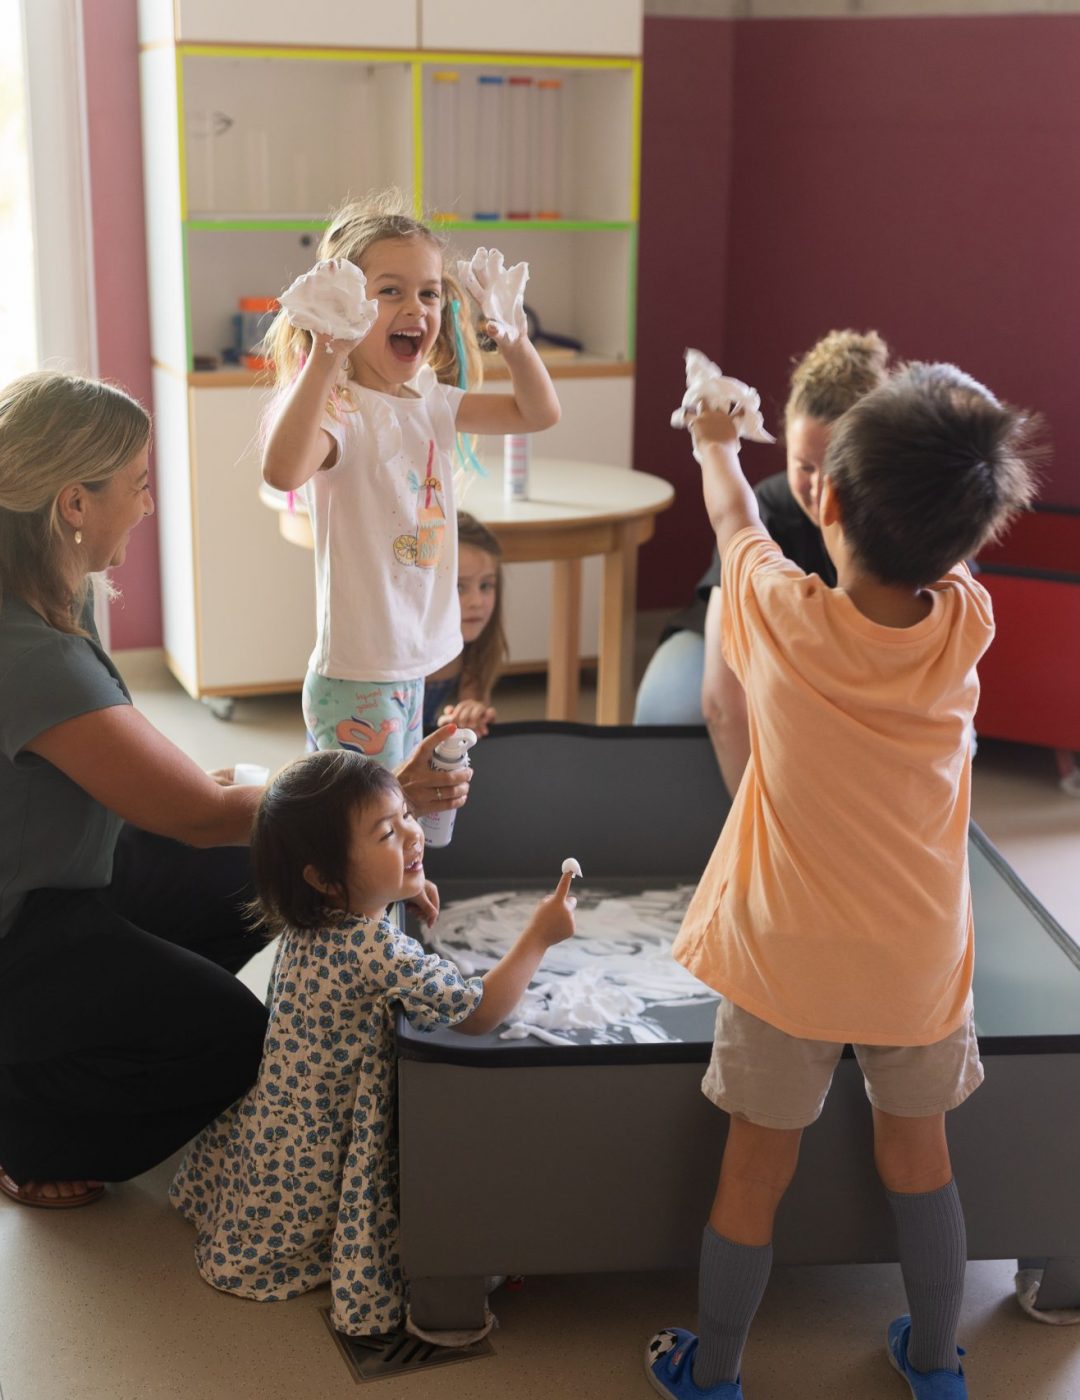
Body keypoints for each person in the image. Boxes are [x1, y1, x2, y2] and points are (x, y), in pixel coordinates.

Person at [645, 363, 1040, 1400]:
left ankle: (718, 1370)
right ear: (969, 537)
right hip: (914, 960)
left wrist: (718, 440)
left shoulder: (783, 617)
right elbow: (942, 528)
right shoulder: (968, 621)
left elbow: (736, 520)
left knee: (752, 1171)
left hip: (786, 958)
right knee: (922, 1155)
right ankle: (938, 1359)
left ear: (820, 498)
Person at [0, 371, 475, 1212]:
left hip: (67, 873)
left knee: (253, 864)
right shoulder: (30, 652)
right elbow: (201, 814)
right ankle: (29, 1130)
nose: (146, 506)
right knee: (233, 1041)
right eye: (138, 487)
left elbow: (121, 759)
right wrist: (383, 792)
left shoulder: (47, 590)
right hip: (22, 926)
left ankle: (85, 1035)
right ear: (73, 503)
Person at [170, 748, 576, 1336]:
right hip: (312, 1156)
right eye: (388, 833)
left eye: (407, 815)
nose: (413, 834)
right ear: (326, 877)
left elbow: (368, 909)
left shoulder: (313, 918)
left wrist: (398, 885)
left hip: (278, 1127)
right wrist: (538, 936)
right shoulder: (372, 949)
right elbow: (481, 1011)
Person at [262, 189, 559, 766]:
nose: (416, 309)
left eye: (428, 293)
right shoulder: (341, 411)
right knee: (363, 827)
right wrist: (326, 354)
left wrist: (515, 342)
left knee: (402, 821)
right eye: (390, 291)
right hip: (358, 673)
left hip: (412, 662)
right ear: (345, 303)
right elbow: (282, 470)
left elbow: (537, 413)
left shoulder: (431, 402)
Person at [634, 330, 890, 796]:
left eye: (836, 469)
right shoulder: (766, 511)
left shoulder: (907, 531)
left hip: (839, 659)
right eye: (805, 467)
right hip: (744, 645)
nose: (819, 489)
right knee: (666, 712)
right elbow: (722, 699)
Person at [424, 512, 508, 736]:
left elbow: (471, 709)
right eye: (459, 587)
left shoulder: (474, 648)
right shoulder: (404, 650)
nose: (477, 602)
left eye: (486, 586)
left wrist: (472, 714)